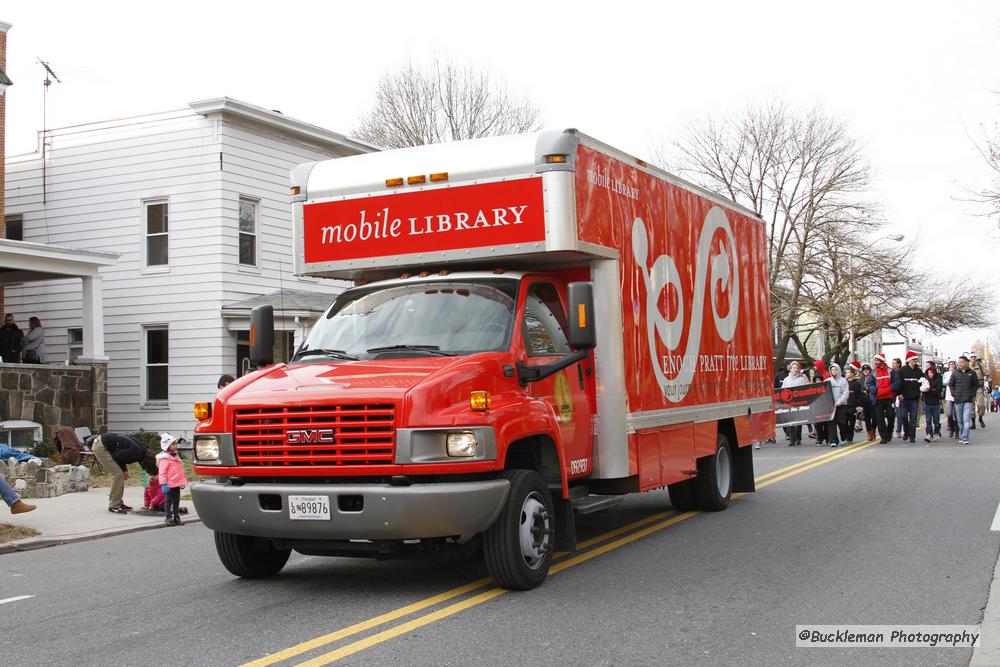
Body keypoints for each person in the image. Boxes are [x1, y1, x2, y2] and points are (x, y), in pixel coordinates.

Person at [91, 433, 158, 513]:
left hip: (103, 442)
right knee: (117, 474)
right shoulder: (136, 454)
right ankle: (114, 505)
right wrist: (124, 470)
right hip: (101, 447)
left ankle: (118, 502)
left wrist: (124, 470)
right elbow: (116, 456)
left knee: (120, 474)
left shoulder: (142, 450)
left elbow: (121, 455)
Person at [156, 433, 188, 526]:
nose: (175, 446)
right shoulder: (164, 458)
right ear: (167, 446)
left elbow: (179, 471)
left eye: (175, 443)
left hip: (176, 483)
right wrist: (163, 484)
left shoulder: (174, 456)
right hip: (169, 484)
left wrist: (181, 482)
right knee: (168, 501)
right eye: (173, 444)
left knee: (176, 500)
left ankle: (176, 517)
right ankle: (168, 517)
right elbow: (162, 472)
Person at [948, 355, 978, 445]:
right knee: (960, 420)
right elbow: (951, 384)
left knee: (966, 420)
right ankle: (962, 435)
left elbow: (975, 385)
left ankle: (965, 437)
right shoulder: (955, 373)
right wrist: (953, 393)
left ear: (966, 362)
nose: (960, 364)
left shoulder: (972, 373)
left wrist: (972, 394)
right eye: (959, 362)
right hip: (957, 400)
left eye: (961, 362)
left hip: (968, 400)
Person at [869, 353, 896, 444]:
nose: (875, 362)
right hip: (878, 398)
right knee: (879, 418)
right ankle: (883, 437)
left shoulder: (891, 371)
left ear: (882, 361)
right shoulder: (873, 372)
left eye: (877, 361)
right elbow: (870, 384)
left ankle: (890, 431)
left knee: (891, 415)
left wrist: (890, 388)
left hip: (889, 397)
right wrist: (875, 390)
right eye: (875, 361)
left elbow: (897, 382)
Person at [898, 351, 923, 444]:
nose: (915, 361)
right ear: (909, 361)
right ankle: (906, 431)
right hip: (904, 398)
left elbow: (923, 383)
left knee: (913, 419)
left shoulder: (919, 372)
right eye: (913, 360)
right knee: (903, 416)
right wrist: (899, 394)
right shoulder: (902, 370)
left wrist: (921, 391)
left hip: (914, 399)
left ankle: (912, 436)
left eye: (916, 360)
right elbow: (898, 383)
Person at [781, 361, 808, 446]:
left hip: (799, 402)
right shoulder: (786, 379)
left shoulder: (801, 379)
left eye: (797, 368)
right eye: (794, 368)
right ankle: (792, 439)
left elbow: (805, 389)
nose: (795, 370)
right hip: (789, 403)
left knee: (799, 422)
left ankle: (798, 438)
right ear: (790, 369)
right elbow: (782, 390)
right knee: (791, 422)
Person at [827, 363, 848, 448]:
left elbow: (845, 393)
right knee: (831, 423)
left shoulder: (843, 380)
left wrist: (839, 401)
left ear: (838, 370)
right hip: (831, 406)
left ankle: (843, 437)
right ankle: (833, 440)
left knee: (842, 422)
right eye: (832, 370)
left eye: (835, 369)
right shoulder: (828, 380)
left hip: (841, 405)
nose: (834, 371)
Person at [922, 363, 944, 442]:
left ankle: (937, 433)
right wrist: (930, 390)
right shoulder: (926, 381)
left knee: (936, 420)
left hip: (935, 403)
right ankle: (929, 434)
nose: (929, 374)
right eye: (928, 373)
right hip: (928, 402)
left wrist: (930, 390)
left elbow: (938, 391)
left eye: (931, 372)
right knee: (928, 420)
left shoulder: (938, 380)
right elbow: (923, 390)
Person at [844, 365, 864, 444]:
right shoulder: (844, 382)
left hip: (853, 405)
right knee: (844, 421)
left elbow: (859, 395)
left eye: (848, 372)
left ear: (852, 374)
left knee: (852, 422)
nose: (846, 374)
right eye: (846, 372)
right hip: (844, 405)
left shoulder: (857, 384)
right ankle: (846, 434)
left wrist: (859, 405)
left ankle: (850, 437)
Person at [860, 364, 876, 440]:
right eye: (864, 370)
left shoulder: (873, 378)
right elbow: (859, 390)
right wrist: (863, 392)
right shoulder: (861, 380)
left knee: (875, 417)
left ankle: (873, 430)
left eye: (867, 369)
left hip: (873, 400)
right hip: (865, 401)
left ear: (870, 370)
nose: (866, 371)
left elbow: (876, 387)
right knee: (867, 418)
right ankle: (869, 433)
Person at [971, 354, 987, 429]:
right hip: (970, 388)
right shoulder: (967, 366)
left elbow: (987, 374)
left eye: (974, 357)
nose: (973, 358)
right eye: (971, 357)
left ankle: (980, 418)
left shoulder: (980, 365)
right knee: (971, 406)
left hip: (979, 388)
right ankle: (973, 423)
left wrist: (989, 384)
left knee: (981, 405)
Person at [943, 360, 958, 438]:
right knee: (949, 414)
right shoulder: (946, 374)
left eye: (953, 364)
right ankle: (951, 428)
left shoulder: (958, 372)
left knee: (956, 414)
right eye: (950, 364)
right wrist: (951, 374)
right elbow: (944, 382)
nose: (952, 365)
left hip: (957, 396)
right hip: (949, 396)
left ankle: (957, 431)